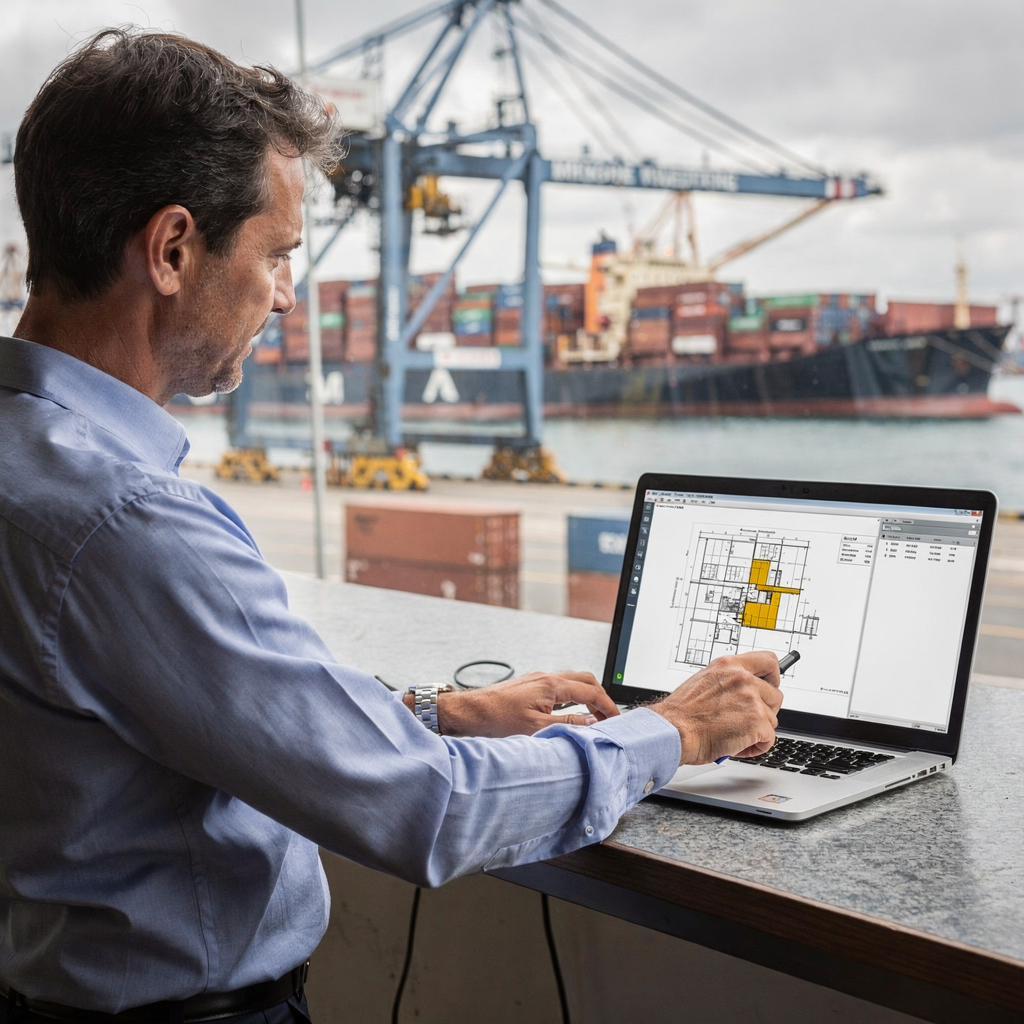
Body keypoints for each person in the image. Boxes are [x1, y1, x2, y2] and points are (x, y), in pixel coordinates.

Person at [0, 29, 784, 1024]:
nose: (287, 295)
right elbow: (428, 808)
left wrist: (432, 710)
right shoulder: (124, 522)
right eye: (278, 255)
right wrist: (667, 731)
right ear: (171, 248)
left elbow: (169, 698)